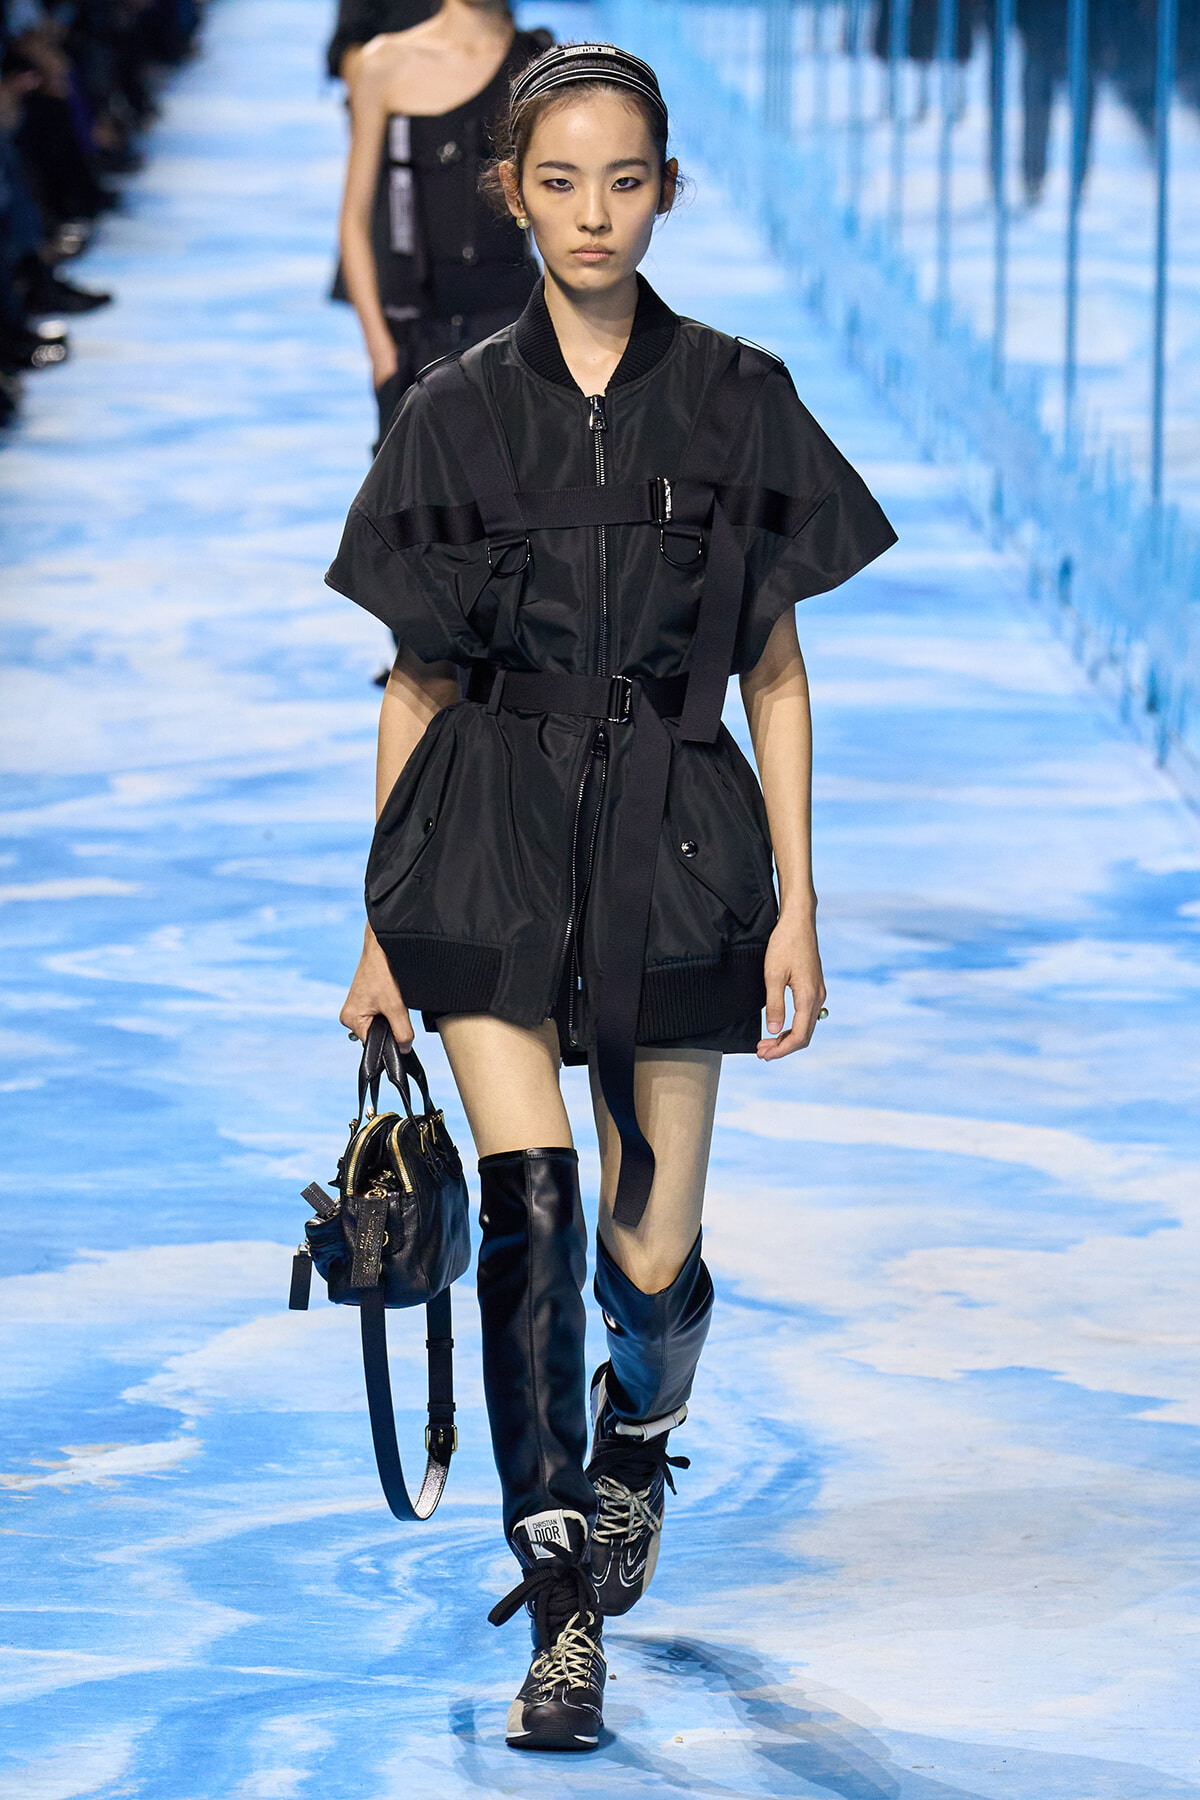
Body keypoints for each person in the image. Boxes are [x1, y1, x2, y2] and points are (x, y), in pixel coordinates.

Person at [330, 42, 895, 1752]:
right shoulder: (453, 411)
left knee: (648, 1261)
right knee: (540, 1206)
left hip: (672, 834)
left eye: (624, 179)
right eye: (560, 180)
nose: (593, 213)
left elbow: (778, 672)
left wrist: (799, 902)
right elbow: (415, 686)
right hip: (490, 824)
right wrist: (377, 923)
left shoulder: (739, 396)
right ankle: (560, 1603)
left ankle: (638, 1443)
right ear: (512, 190)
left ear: (666, 188)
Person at [336, 0, 549, 452]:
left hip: (515, 329)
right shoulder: (384, 63)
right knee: (416, 514)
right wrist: (382, 355)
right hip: (414, 336)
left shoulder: (539, 67)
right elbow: (354, 220)